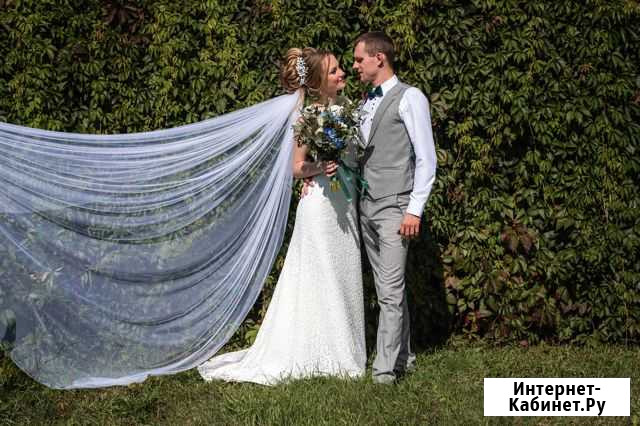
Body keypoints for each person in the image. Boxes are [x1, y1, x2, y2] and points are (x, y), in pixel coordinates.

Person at [197, 47, 366, 385]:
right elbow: (295, 167)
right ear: (318, 82)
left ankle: (345, 349)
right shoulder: (306, 118)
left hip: (346, 203)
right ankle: (326, 353)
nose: (342, 73)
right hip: (320, 206)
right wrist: (320, 167)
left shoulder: (347, 109)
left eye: (340, 68)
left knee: (343, 271)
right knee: (320, 276)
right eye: (334, 71)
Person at [352, 32, 437, 384]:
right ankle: (404, 357)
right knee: (389, 288)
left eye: (359, 59)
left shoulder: (410, 97)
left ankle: (384, 372)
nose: (355, 66)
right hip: (366, 205)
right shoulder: (364, 103)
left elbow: (426, 158)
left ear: (379, 58)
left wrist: (414, 209)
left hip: (395, 206)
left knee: (388, 291)